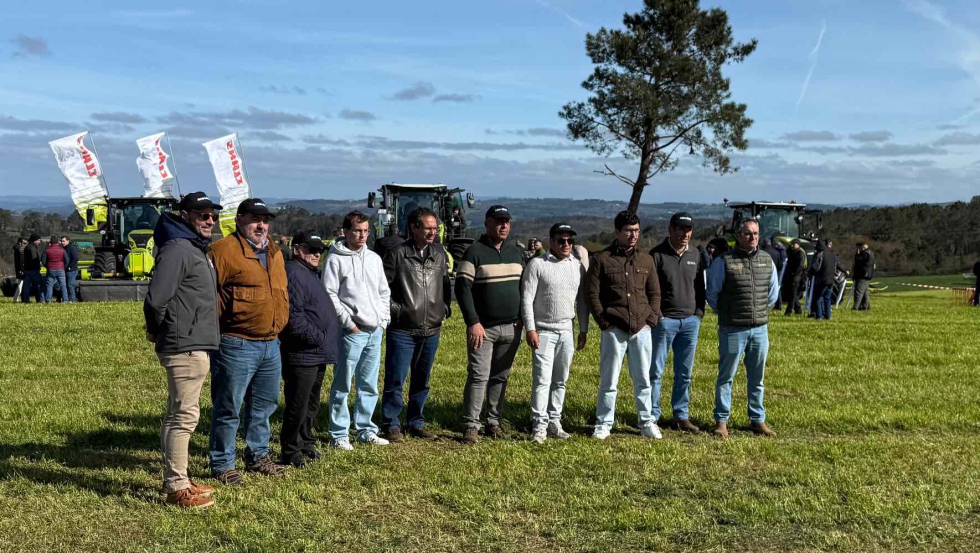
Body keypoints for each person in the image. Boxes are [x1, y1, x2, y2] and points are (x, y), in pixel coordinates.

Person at [143, 192, 222, 509]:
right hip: (183, 344)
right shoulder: (178, 250)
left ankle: (181, 478)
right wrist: (159, 330)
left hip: (192, 341)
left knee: (178, 414)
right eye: (202, 215)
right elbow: (156, 300)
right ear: (185, 215)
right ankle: (177, 487)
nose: (210, 220)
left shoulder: (192, 248)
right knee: (184, 417)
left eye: (212, 215)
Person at [208, 198, 289, 484]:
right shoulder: (222, 251)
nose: (261, 225)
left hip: (271, 342)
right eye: (255, 219)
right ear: (239, 219)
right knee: (229, 407)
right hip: (236, 343)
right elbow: (209, 297)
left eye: (265, 219)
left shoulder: (275, 252)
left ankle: (258, 456)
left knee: (265, 406)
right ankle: (222, 464)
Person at [587, 210, 662, 440]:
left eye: (637, 231)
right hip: (614, 328)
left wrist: (651, 321)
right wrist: (603, 322)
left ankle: (647, 421)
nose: (634, 235)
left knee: (643, 379)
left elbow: (655, 293)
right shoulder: (601, 259)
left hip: (641, 328)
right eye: (629, 231)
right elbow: (592, 295)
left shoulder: (646, 259)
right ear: (617, 231)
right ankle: (603, 423)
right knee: (609, 380)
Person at [380, 207, 452, 442]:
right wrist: (398, 311)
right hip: (402, 330)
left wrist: (444, 309)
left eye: (435, 228)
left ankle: (416, 422)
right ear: (414, 227)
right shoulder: (397, 254)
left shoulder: (439, 255)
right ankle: (391, 424)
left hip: (431, 329)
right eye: (428, 228)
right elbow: (383, 290)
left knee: (423, 379)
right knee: (396, 379)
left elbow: (445, 286)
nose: (433, 232)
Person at [456, 205, 525, 444]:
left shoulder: (516, 253)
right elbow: (462, 289)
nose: (503, 225)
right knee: (478, 376)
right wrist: (473, 322)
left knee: (500, 377)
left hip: (512, 327)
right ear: (487, 223)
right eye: (498, 221)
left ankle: (493, 422)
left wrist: (521, 318)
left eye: (506, 221)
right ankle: (471, 425)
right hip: (482, 328)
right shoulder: (474, 252)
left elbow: (525, 289)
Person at [324, 211, 391, 450]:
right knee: (343, 383)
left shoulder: (374, 258)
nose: (362, 235)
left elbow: (384, 291)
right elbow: (329, 294)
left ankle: (365, 429)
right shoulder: (335, 259)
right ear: (346, 232)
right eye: (357, 231)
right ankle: (339, 433)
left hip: (375, 331)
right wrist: (348, 323)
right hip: (352, 331)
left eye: (365, 231)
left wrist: (383, 320)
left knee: (369, 383)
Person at [706, 219, 779, 438]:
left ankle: (757, 420)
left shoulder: (767, 260)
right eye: (748, 234)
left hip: (759, 329)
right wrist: (728, 313)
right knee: (726, 377)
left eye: (756, 233)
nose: (753, 237)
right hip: (732, 329)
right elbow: (712, 294)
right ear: (738, 236)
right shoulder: (723, 261)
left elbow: (773, 294)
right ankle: (721, 421)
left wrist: (758, 313)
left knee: (757, 378)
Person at [521, 222, 590, 443]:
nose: (567, 244)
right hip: (543, 331)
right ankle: (539, 424)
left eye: (570, 240)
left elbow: (582, 301)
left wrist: (583, 328)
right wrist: (530, 328)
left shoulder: (577, 266)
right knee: (542, 379)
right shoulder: (536, 265)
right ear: (551, 241)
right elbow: (527, 299)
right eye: (562, 240)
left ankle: (554, 421)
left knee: (560, 380)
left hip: (566, 331)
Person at [279, 231, 338, 468]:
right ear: (296, 249)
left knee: (311, 404)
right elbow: (293, 317)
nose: (316, 254)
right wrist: (317, 337)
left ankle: (306, 442)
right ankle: (291, 450)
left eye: (319, 250)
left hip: (317, 351)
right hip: (303, 352)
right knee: (298, 403)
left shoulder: (310, 273)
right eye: (310, 249)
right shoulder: (294, 273)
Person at [649, 212, 705, 435]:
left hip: (690, 322)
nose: (685, 233)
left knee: (685, 373)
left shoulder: (696, 254)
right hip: (665, 322)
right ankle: (651, 415)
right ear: (670, 230)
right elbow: (650, 290)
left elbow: (701, 287)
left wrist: (698, 314)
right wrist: (660, 316)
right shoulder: (656, 255)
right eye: (681, 229)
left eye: (688, 229)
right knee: (655, 371)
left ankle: (680, 415)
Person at [808, 239, 838, 320]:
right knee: (827, 298)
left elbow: (816, 267)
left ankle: (819, 316)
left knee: (818, 298)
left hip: (822, 279)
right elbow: (835, 267)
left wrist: (809, 272)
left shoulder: (820, 254)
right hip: (831, 279)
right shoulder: (833, 255)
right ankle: (828, 316)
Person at [782, 239, 807, 316]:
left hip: (796, 277)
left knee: (793, 295)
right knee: (793, 294)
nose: (792, 245)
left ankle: (788, 311)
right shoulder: (792, 253)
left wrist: (794, 273)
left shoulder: (800, 253)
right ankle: (798, 309)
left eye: (794, 244)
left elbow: (801, 265)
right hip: (791, 276)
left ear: (798, 245)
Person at [20, 234, 44, 303]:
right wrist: (38, 265)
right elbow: (34, 259)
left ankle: (25, 300)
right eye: (38, 240)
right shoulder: (32, 248)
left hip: (27, 269)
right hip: (34, 270)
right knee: (42, 284)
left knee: (27, 286)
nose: (39, 242)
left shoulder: (27, 247)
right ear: (35, 240)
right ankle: (41, 299)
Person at [41, 236, 67, 303]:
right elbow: (66, 260)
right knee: (63, 285)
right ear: (58, 242)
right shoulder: (62, 250)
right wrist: (63, 266)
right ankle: (65, 300)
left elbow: (43, 261)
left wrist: (47, 266)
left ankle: (48, 300)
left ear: (50, 242)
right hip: (60, 269)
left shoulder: (47, 250)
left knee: (49, 286)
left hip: (51, 269)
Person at [852, 242, 875, 311]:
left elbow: (857, 260)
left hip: (862, 275)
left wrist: (857, 254)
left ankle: (856, 307)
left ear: (862, 247)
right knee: (865, 292)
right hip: (868, 275)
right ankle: (866, 306)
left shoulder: (864, 254)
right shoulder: (870, 252)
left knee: (858, 292)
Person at [61, 236, 79, 303]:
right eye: (61, 241)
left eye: (63, 241)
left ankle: (72, 299)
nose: (62, 242)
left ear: (68, 241)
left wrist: (70, 266)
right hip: (65, 269)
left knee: (70, 285)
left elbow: (75, 258)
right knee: (65, 285)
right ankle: (67, 298)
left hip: (72, 270)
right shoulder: (64, 248)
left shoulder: (72, 248)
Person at [12, 237, 27, 303]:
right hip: (21, 269)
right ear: (20, 243)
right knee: (20, 284)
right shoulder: (20, 250)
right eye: (24, 243)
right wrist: (22, 269)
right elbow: (21, 261)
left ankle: (15, 298)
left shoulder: (17, 249)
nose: (25, 244)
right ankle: (15, 299)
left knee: (20, 284)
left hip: (18, 269)